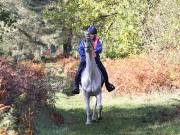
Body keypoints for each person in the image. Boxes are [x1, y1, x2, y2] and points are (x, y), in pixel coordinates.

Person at [72, 25, 115, 94]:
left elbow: (99, 48)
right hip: (85, 59)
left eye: (93, 34)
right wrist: (84, 56)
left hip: (95, 59)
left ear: (95, 34)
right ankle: (76, 86)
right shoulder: (84, 41)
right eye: (91, 34)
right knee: (79, 71)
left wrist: (95, 52)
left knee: (103, 70)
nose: (92, 35)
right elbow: (80, 49)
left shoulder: (97, 41)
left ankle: (108, 85)